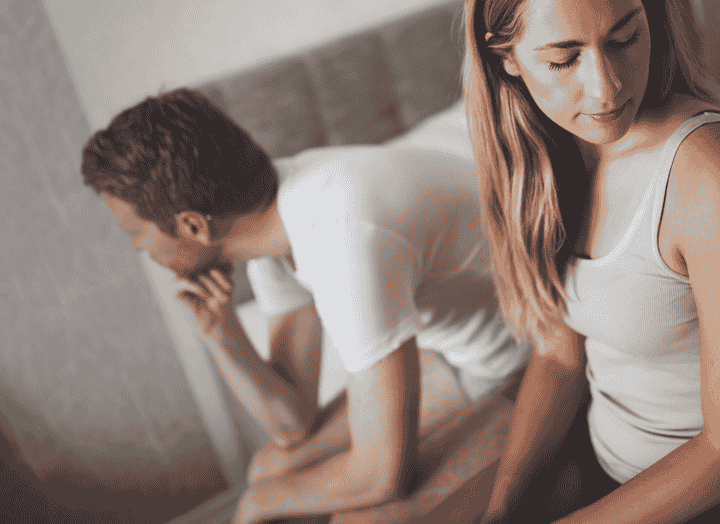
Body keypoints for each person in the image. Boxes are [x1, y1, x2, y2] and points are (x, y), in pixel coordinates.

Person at [449, 0, 720, 522]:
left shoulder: (712, 170)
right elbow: (559, 355)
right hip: (613, 473)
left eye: (625, 37)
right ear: (505, 58)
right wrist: (501, 511)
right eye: (563, 59)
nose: (606, 89)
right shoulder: (539, 158)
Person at [80, 88, 528, 523]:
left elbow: (382, 476)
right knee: (271, 469)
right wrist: (221, 333)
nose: (140, 250)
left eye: (137, 235)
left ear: (194, 225)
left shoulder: (342, 239)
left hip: (518, 356)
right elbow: (292, 422)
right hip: (458, 349)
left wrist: (258, 504)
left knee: (348, 515)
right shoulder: (276, 220)